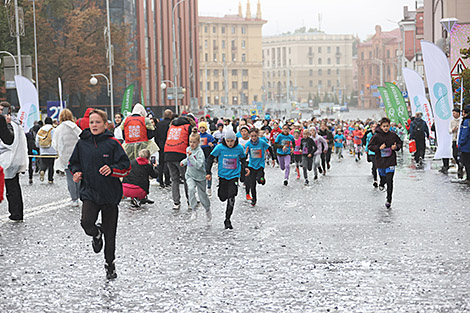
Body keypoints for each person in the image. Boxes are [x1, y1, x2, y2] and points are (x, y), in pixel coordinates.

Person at [69, 109, 131, 279]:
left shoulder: (113, 143)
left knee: (110, 234)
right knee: (86, 222)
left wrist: (112, 169)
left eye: (97, 122)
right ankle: (96, 233)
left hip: (110, 195)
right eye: (91, 122)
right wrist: (76, 172)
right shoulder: (82, 143)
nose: (94, 125)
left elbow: (126, 166)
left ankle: (109, 264)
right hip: (90, 192)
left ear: (105, 124)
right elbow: (73, 163)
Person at [206, 129, 249, 229]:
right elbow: (211, 158)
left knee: (232, 197)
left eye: (232, 141)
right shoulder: (220, 147)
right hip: (223, 176)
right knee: (222, 197)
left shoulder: (238, 148)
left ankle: (227, 219)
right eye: (228, 141)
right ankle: (222, 194)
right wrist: (208, 172)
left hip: (234, 176)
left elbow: (243, 158)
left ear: (235, 140)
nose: (230, 143)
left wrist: (245, 167)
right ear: (225, 140)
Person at [0, 101, 27, 221]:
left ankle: (15, 213)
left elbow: (8, 141)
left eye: (1, 110)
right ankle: (17, 212)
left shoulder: (10, 124)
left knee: (11, 189)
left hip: (9, 160)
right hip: (14, 159)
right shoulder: (17, 123)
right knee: (14, 187)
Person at [368, 117, 403, 208]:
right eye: (384, 126)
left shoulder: (393, 135)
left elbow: (399, 142)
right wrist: (379, 148)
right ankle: (382, 183)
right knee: (383, 178)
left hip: (391, 160)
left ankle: (389, 199)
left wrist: (396, 147)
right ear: (381, 127)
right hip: (380, 161)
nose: (386, 128)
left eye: (387, 126)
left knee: (390, 180)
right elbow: (370, 146)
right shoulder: (376, 136)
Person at [51, 109, 82, 206]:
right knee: (79, 176)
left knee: (70, 178)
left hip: (65, 157)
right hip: (78, 156)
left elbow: (55, 144)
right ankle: (80, 196)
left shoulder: (59, 129)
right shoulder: (75, 127)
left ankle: (74, 198)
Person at [164, 114, 195, 210]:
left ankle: (176, 202)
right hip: (181, 154)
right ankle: (190, 201)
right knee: (186, 178)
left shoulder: (172, 127)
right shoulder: (188, 127)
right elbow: (192, 142)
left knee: (174, 179)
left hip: (168, 154)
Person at [180, 132, 212, 221]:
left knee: (202, 195)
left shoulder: (200, 153)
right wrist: (184, 162)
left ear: (198, 142)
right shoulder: (188, 149)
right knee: (190, 189)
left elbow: (198, 165)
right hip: (190, 174)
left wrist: (190, 158)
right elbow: (188, 159)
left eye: (194, 142)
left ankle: (207, 209)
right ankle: (194, 209)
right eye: (190, 142)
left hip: (200, 176)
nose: (192, 144)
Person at [245, 128, 272, 206]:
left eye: (255, 136)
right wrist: (246, 153)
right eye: (252, 136)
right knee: (252, 184)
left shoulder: (262, 142)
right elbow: (244, 155)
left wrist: (273, 158)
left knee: (259, 180)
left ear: (257, 135)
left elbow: (269, 148)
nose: (253, 138)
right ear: (250, 135)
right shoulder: (248, 144)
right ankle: (254, 199)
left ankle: (262, 179)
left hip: (260, 165)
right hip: (251, 166)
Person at [155, 109, 173, 188]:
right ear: (170, 115)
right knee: (168, 163)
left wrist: (158, 144)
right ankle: (167, 181)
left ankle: (161, 181)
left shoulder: (159, 124)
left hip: (161, 145)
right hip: (169, 145)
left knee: (161, 164)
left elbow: (156, 136)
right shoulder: (171, 124)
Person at [36, 117, 57, 183]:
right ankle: (50, 179)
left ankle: (42, 170)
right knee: (51, 165)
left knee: (44, 163)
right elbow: (55, 139)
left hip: (43, 149)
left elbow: (37, 139)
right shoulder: (53, 129)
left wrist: (38, 146)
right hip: (51, 149)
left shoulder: (41, 129)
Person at [198, 122, 215, 196]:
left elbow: (215, 144)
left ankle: (209, 187)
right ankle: (202, 187)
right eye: (200, 128)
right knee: (201, 172)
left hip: (208, 155)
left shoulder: (209, 136)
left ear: (206, 128)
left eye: (203, 127)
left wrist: (212, 145)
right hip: (200, 156)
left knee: (208, 171)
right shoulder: (198, 136)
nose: (202, 129)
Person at [444, 108, 463, 177]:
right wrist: (453, 130)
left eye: (454, 113)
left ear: (458, 113)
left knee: (461, 154)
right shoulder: (452, 121)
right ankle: (459, 164)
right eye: (453, 113)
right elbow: (449, 130)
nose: (453, 115)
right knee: (454, 154)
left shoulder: (462, 120)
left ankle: (461, 166)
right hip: (454, 139)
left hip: (461, 140)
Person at [458, 105, 470, 183]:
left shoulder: (466, 121)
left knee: (467, 163)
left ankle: (468, 178)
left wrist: (460, 143)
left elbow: (464, 134)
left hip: (466, 146)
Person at [365, 122, 378, 188]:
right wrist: (366, 149)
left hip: (378, 152)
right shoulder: (369, 135)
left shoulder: (379, 135)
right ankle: (375, 180)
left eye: (375, 127)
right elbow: (367, 142)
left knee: (378, 165)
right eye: (373, 127)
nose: (374, 128)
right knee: (374, 165)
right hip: (371, 152)